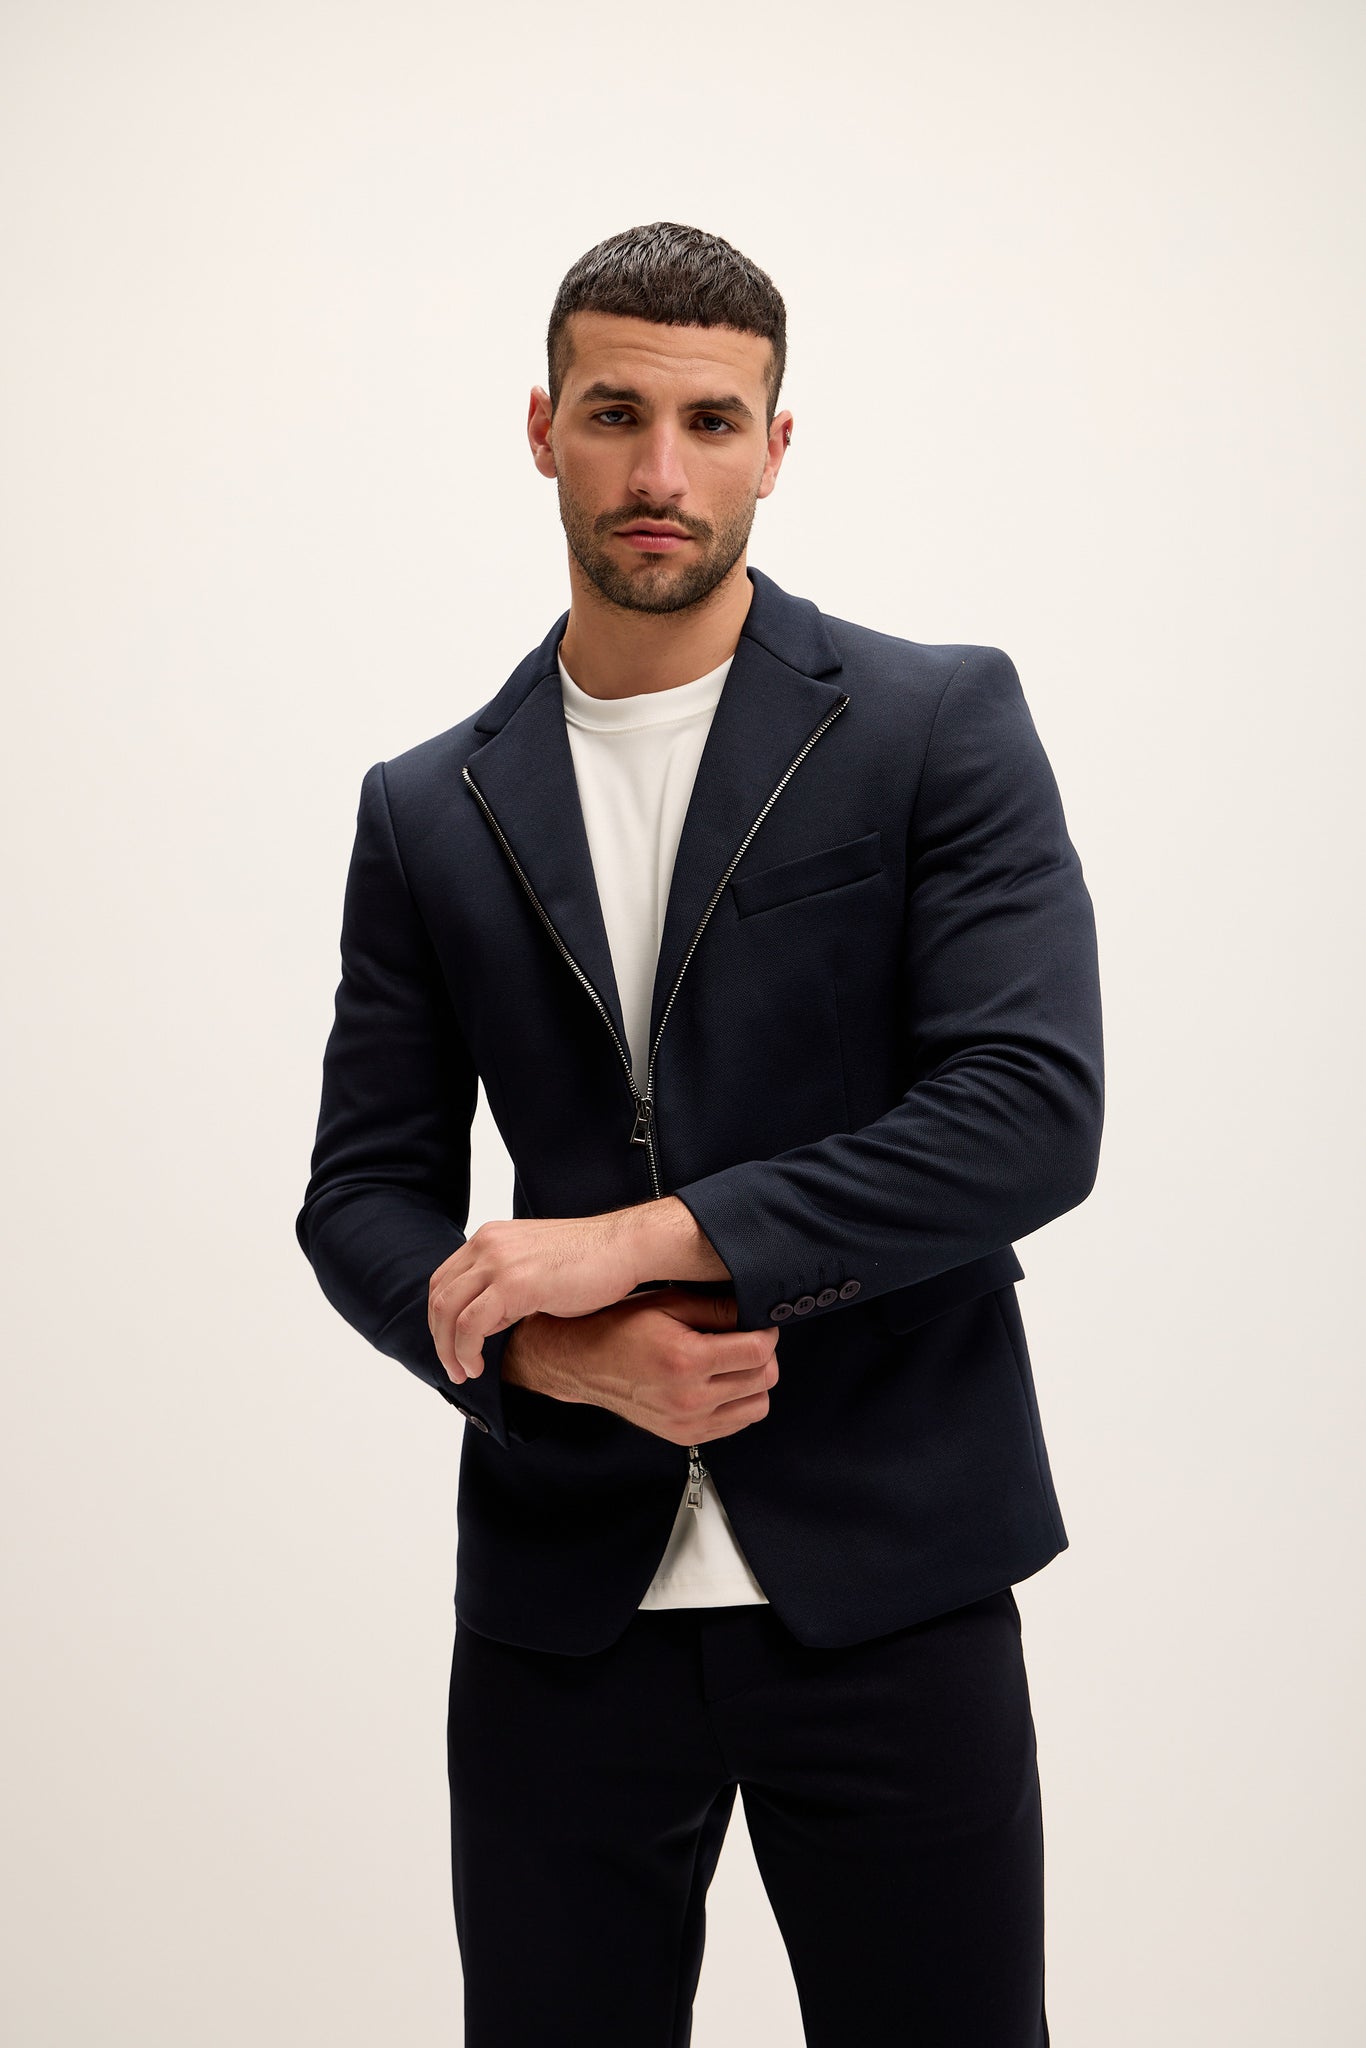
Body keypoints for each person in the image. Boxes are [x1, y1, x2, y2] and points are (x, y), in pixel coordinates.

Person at [295, 220, 1104, 2047]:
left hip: (892, 1577)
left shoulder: (933, 723)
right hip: (559, 1613)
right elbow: (360, 1196)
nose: (660, 470)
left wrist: (638, 1247)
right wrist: (554, 1360)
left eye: (711, 422)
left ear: (774, 444)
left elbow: (1027, 1114)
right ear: (541, 428)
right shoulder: (428, 806)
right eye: (615, 413)